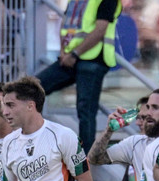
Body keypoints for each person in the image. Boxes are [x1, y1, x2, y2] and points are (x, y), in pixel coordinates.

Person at [36, 0, 122, 154]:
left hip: (93, 59)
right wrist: (64, 51)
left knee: (86, 111)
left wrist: (74, 54)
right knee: (33, 89)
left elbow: (100, 29)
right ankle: (32, 141)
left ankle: (85, 163)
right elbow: (66, 24)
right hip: (69, 58)